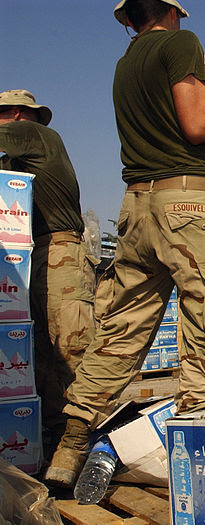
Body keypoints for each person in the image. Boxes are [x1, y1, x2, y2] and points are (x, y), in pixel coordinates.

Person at [44, 0, 205, 488]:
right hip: (188, 204)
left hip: (137, 209)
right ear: (174, 10)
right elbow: (196, 124)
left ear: (129, 18)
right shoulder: (180, 43)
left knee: (121, 330)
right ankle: (202, 458)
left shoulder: (127, 63)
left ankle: (70, 446)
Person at [0, 90, 96, 453]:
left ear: (17, 115)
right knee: (39, 356)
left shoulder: (37, 134)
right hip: (24, 255)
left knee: (72, 348)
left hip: (58, 252)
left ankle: (93, 435)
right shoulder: (13, 163)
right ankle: (59, 442)